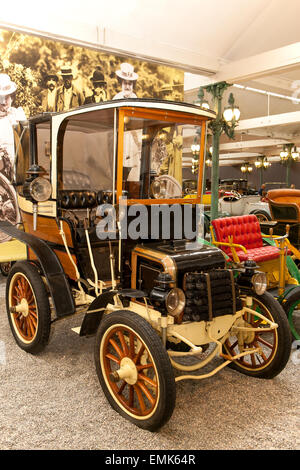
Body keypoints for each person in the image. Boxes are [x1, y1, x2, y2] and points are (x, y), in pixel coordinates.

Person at [0, 73, 26, 175]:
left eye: (7, 97)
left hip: (19, 172)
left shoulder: (16, 114)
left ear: (12, 97)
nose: (3, 102)